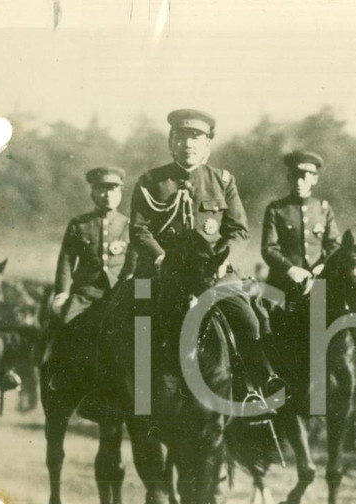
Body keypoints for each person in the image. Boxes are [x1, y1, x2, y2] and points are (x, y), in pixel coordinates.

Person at [128, 109, 278, 406]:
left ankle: (254, 388)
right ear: (171, 143)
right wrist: (159, 259)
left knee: (249, 321)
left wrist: (224, 259)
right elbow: (139, 230)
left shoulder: (222, 181)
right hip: (162, 272)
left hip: (215, 272)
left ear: (207, 145)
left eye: (196, 138)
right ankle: (133, 397)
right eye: (182, 138)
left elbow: (239, 231)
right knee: (133, 321)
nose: (188, 145)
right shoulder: (150, 182)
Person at [45, 167, 135, 364]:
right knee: (65, 329)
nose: (108, 195)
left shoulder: (129, 225)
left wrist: (129, 287)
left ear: (120, 192)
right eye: (102, 189)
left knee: (137, 336)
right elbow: (67, 261)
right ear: (93, 193)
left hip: (118, 295)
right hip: (84, 294)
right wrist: (62, 294)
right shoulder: (79, 224)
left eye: (113, 189)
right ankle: (57, 382)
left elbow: (133, 263)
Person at [261, 150, 340, 294]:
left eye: (303, 177)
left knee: (318, 316)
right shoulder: (276, 209)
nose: (298, 182)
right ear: (288, 178)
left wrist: (323, 266)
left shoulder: (324, 209)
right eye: (294, 176)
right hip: (282, 283)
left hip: (317, 284)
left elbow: (335, 245)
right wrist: (290, 269)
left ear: (314, 179)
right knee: (271, 316)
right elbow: (268, 249)